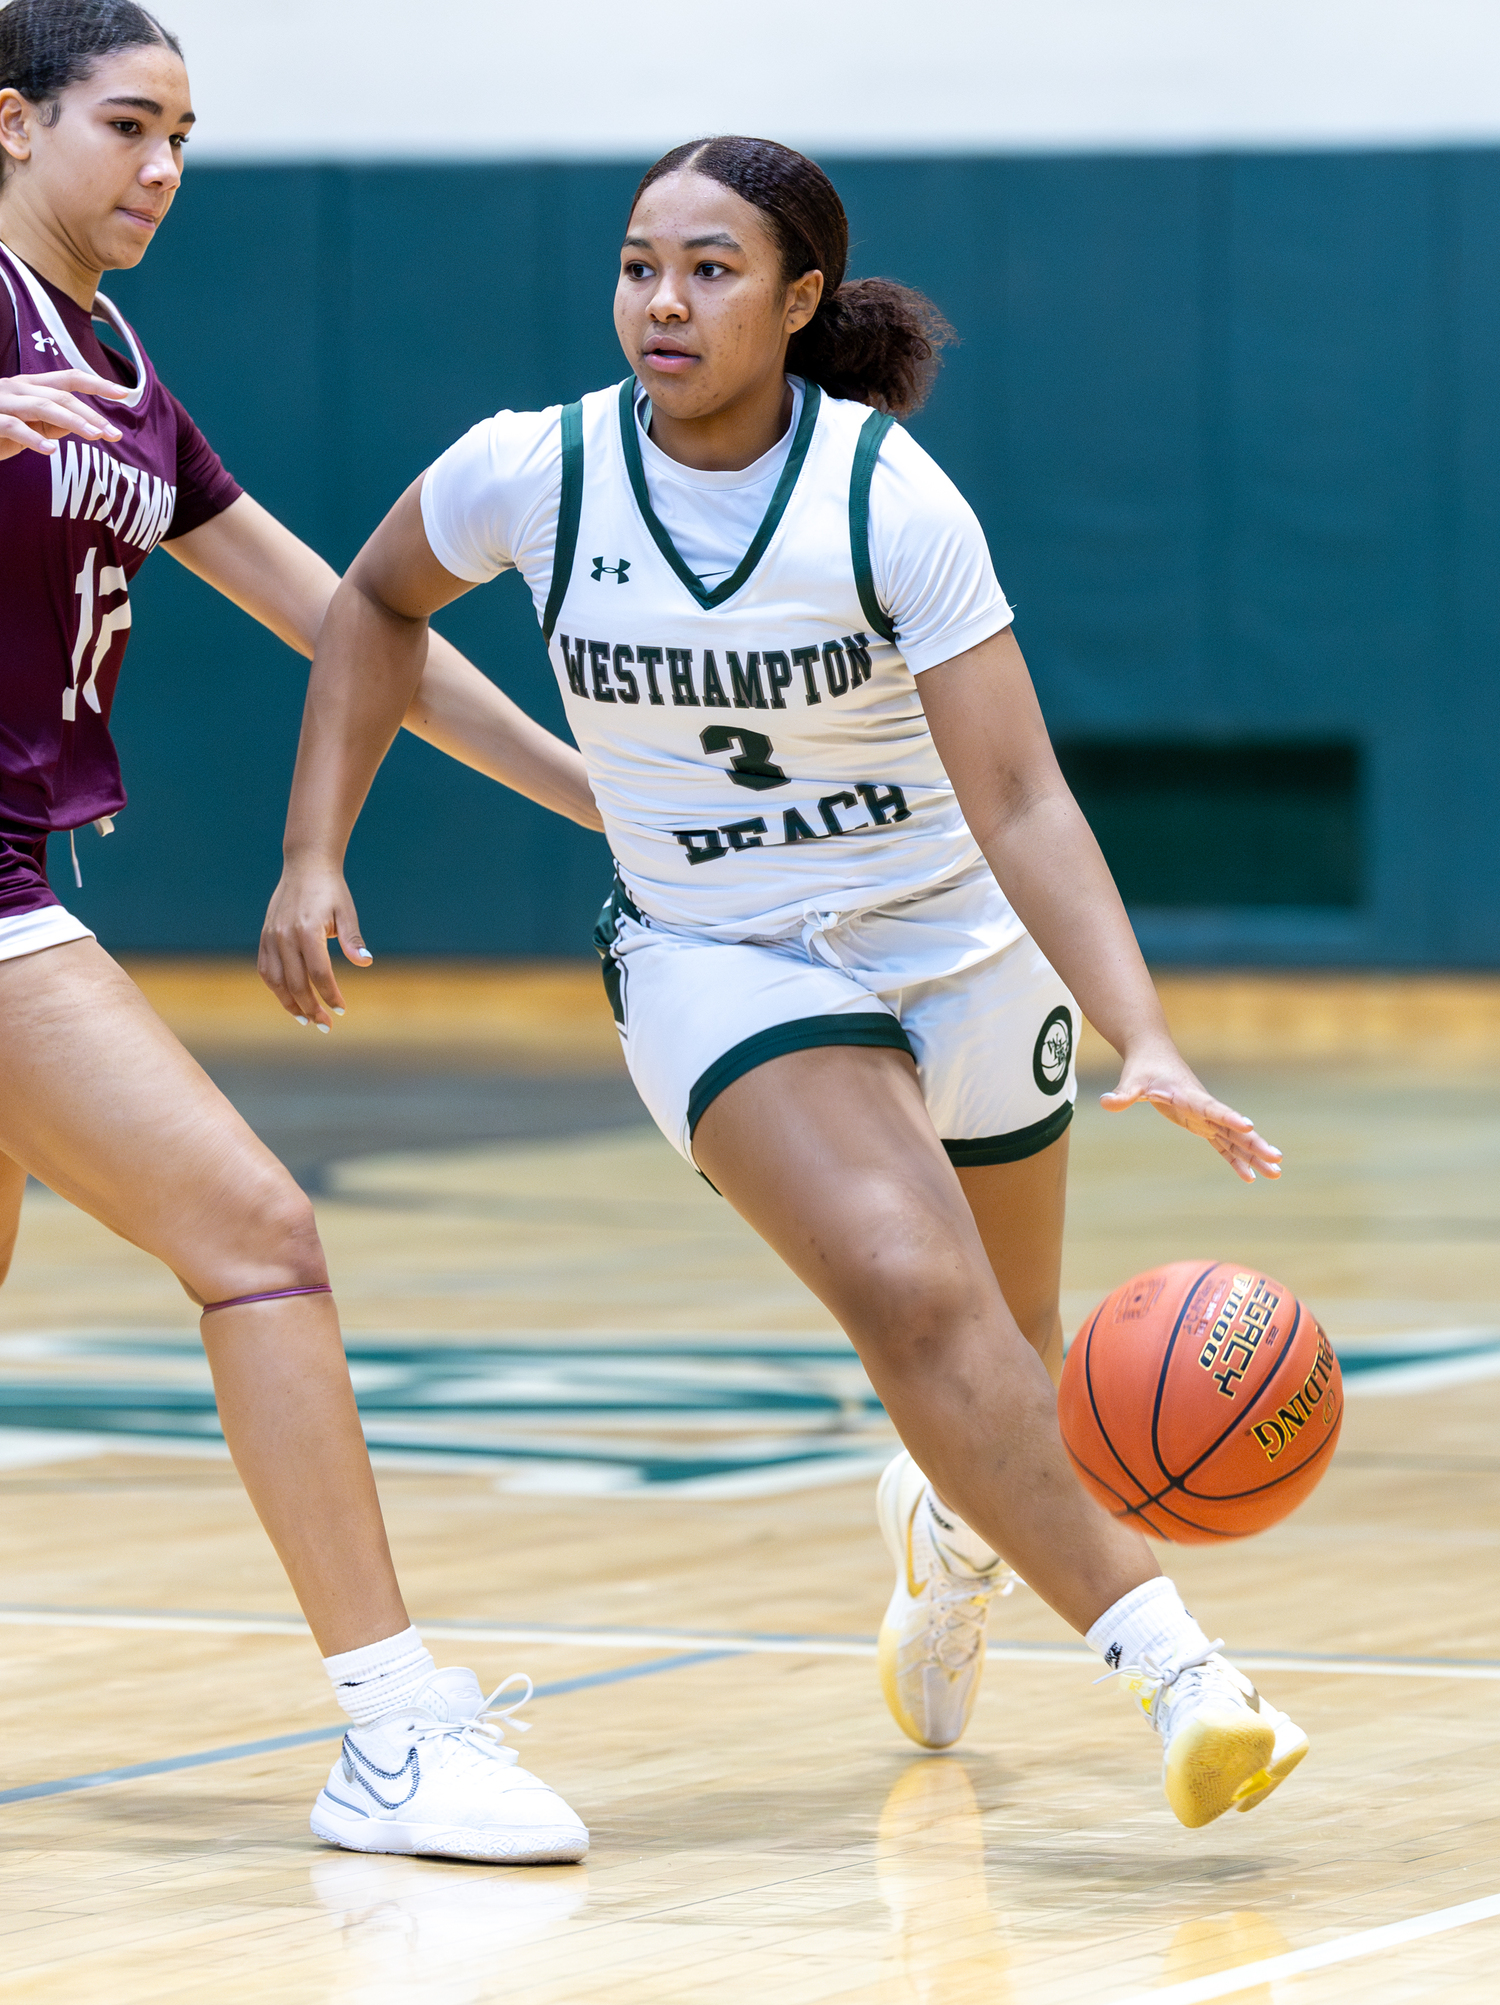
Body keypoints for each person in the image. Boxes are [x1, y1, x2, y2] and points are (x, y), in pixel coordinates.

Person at [261, 134, 1308, 1830]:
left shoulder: (885, 496)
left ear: (802, 296)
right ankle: (1183, 1676)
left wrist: (1150, 1033)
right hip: (716, 953)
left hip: (957, 943)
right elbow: (375, 601)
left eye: (712, 269)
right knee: (912, 1296)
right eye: (636, 264)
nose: (660, 302)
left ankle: (947, 1543)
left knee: (1000, 1356)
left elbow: (1024, 796)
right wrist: (318, 846)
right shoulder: (538, 472)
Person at [0, 0, 595, 1861]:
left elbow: (350, 622)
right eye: (126, 125)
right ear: (10, 122)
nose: (165, 167)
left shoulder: (107, 357)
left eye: (186, 131)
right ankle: (394, 1727)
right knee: (257, 1234)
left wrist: (606, 797)